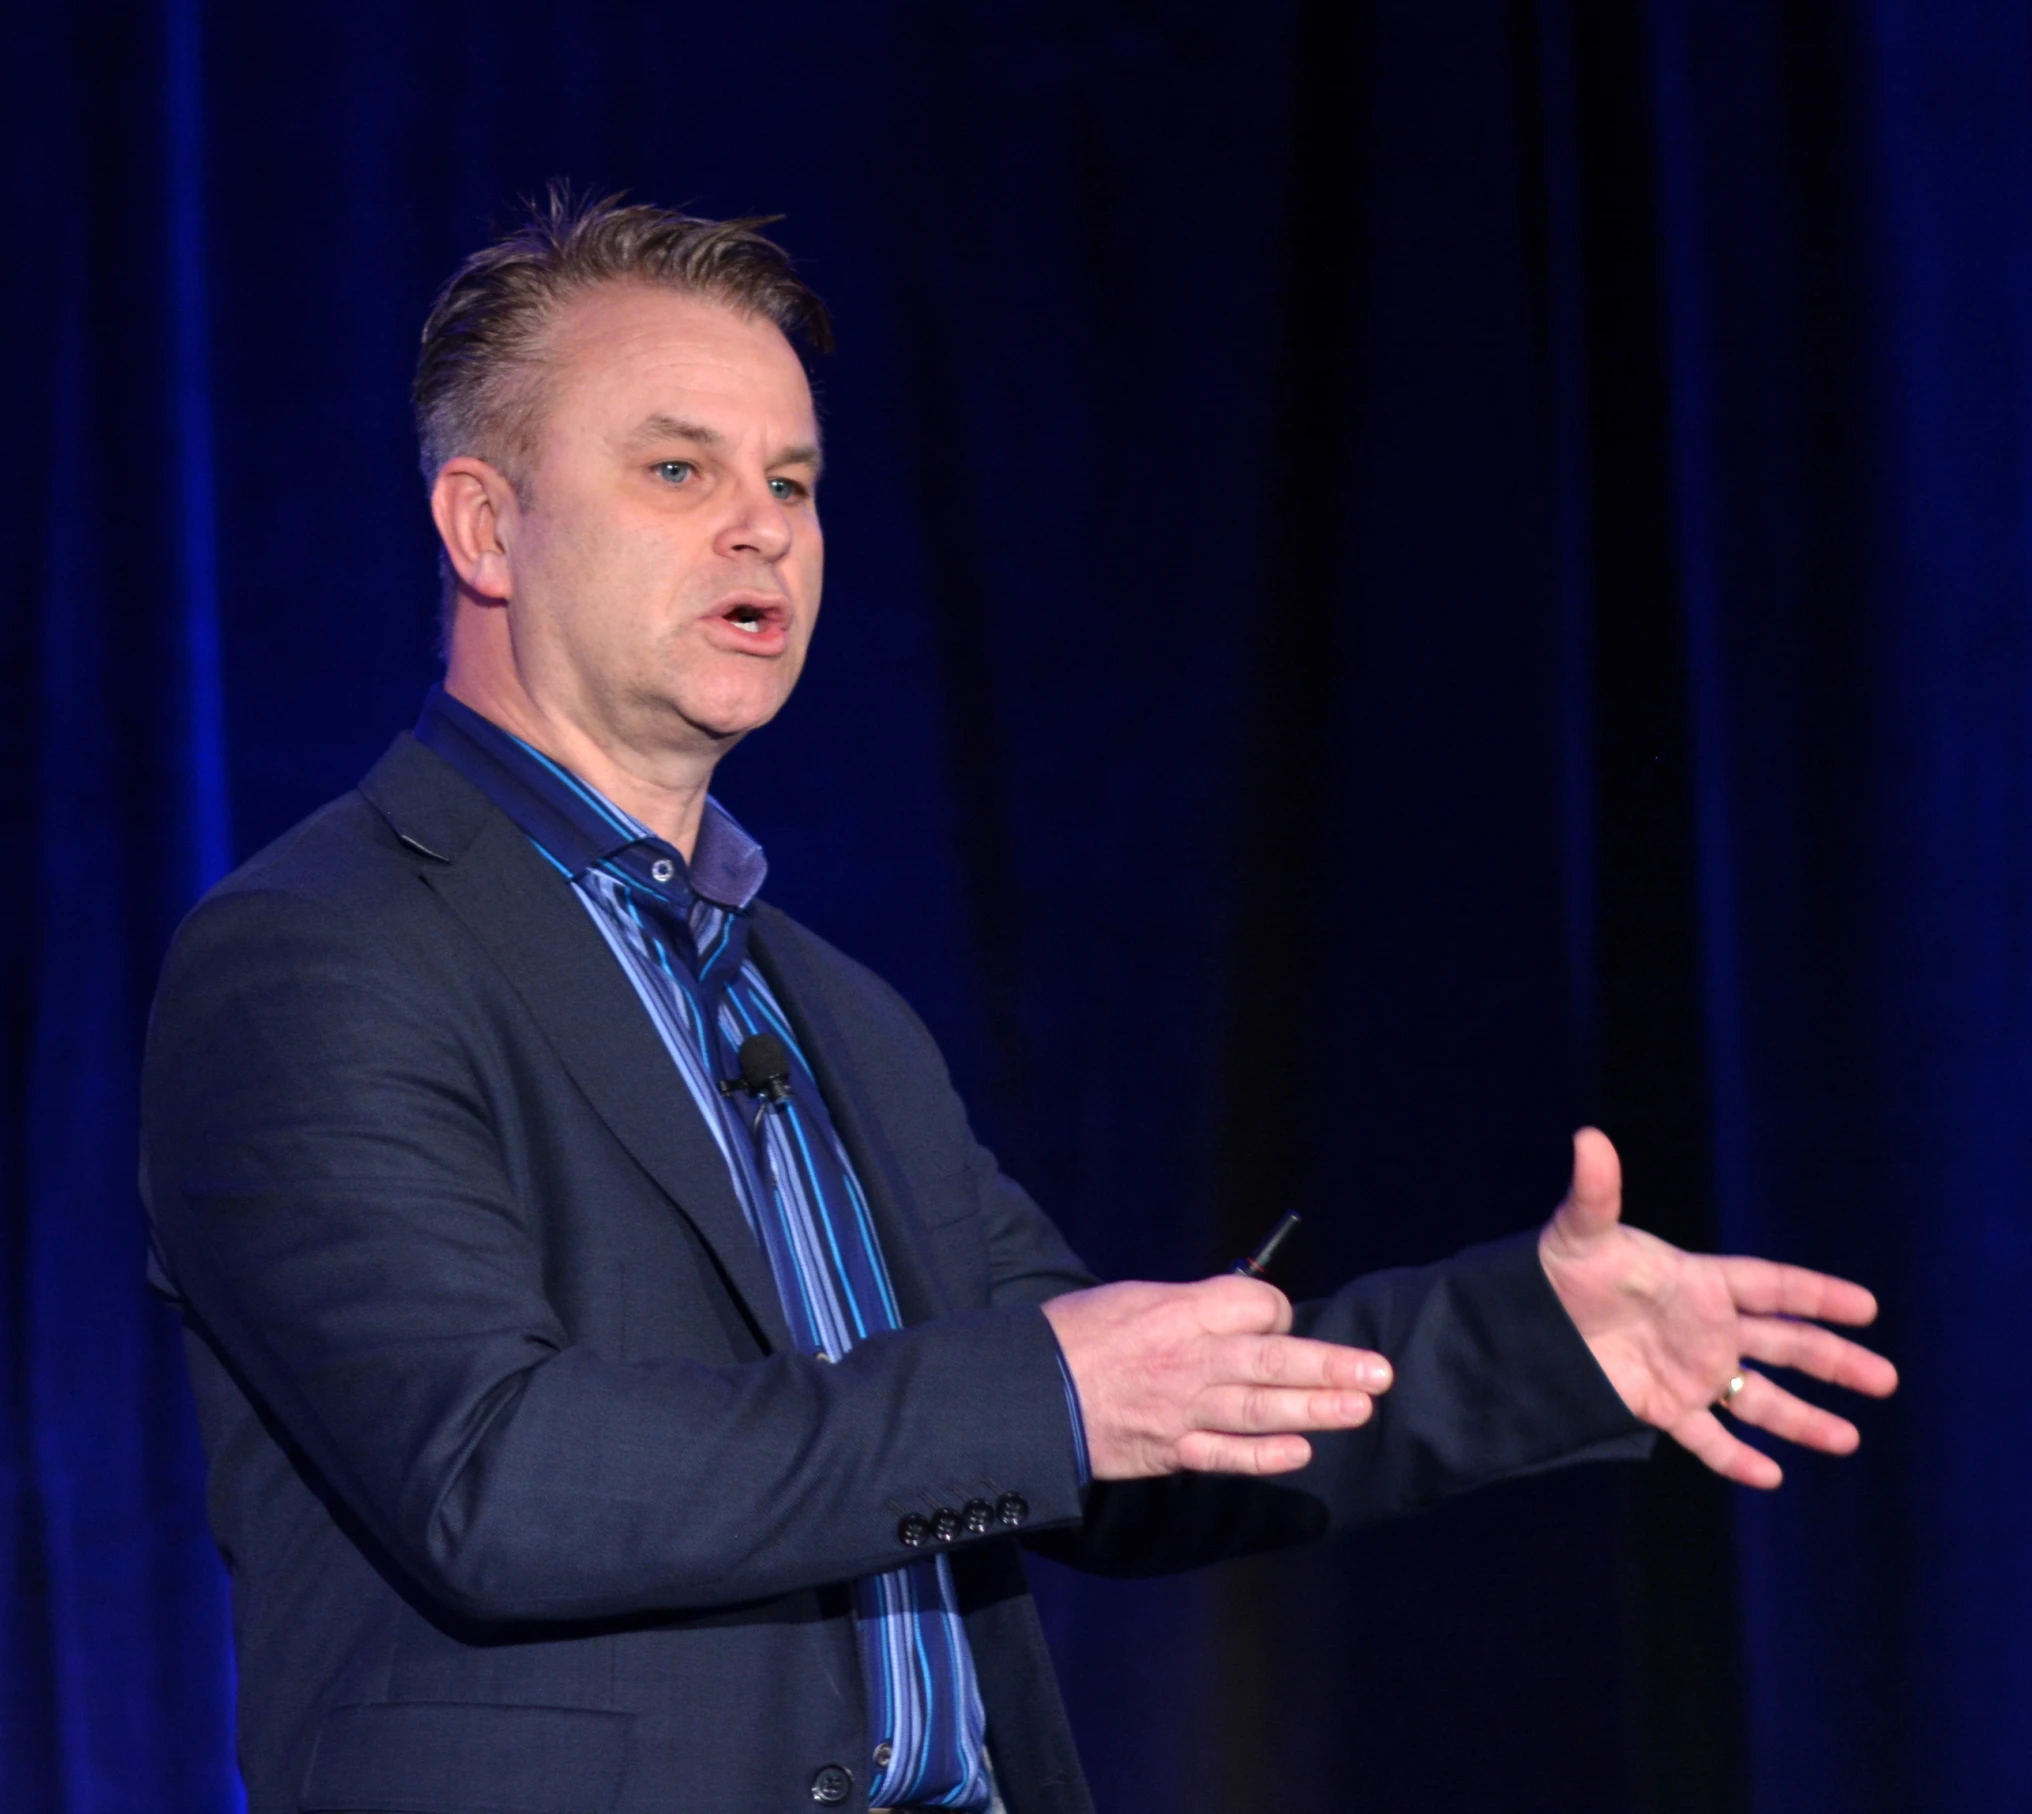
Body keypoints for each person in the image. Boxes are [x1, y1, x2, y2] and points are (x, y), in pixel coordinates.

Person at [141, 192, 1896, 1814]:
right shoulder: (322, 951)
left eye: (797, 479)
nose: (764, 522)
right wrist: (1039, 1402)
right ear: (484, 525)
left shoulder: (832, 1010)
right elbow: (498, 1477)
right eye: (679, 471)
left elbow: (1139, 1430)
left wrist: (1533, 1342)